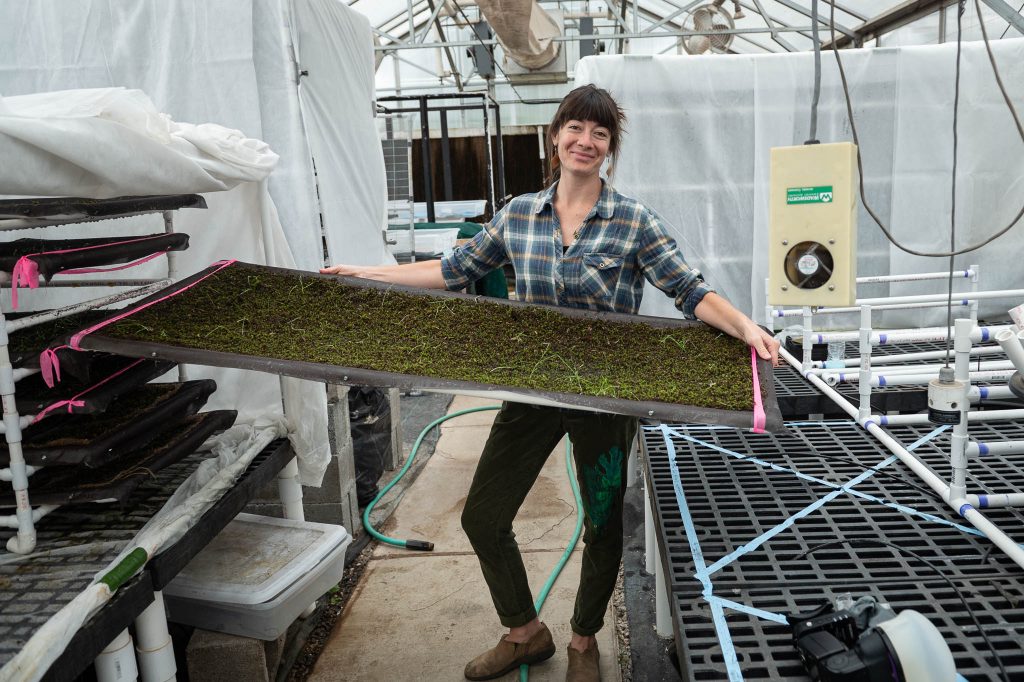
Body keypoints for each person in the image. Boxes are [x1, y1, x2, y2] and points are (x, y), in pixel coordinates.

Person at [322, 84, 779, 682]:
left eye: (600, 134)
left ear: (609, 149)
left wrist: (746, 326)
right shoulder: (518, 213)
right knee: (482, 516)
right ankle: (524, 632)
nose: (585, 142)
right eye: (576, 129)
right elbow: (454, 270)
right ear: (556, 135)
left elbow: (688, 290)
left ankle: (584, 640)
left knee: (603, 521)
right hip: (533, 390)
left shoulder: (632, 220)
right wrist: (367, 272)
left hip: (605, 397)